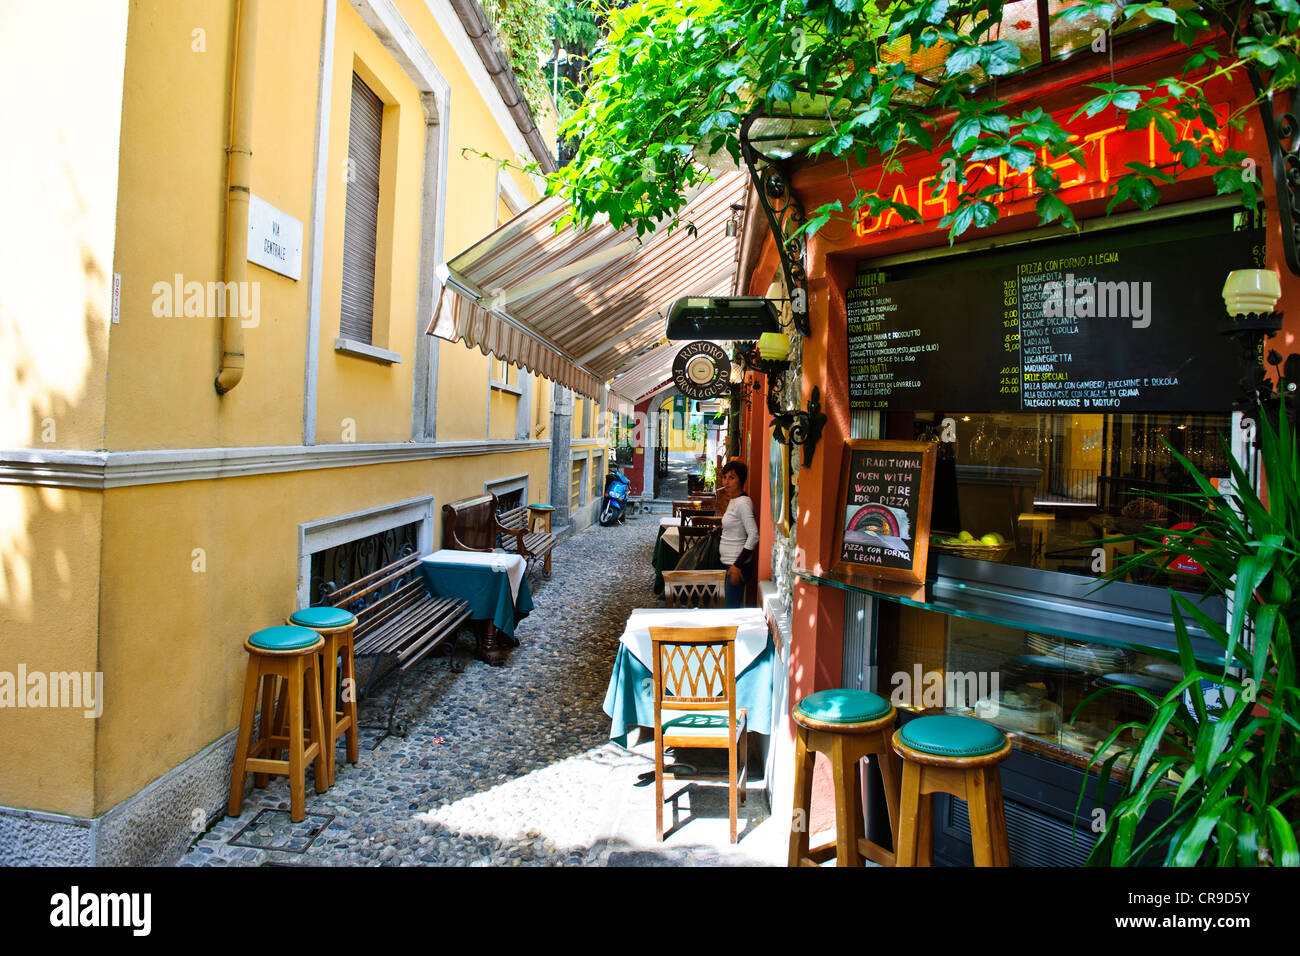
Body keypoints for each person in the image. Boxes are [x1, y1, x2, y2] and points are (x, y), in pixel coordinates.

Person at [718, 460, 759, 608]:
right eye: (725, 477)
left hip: (735, 566)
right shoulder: (734, 500)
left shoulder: (743, 503)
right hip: (728, 563)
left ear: (741, 480)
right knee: (727, 608)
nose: (726, 481)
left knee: (731, 611)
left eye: (732, 477)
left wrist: (737, 565)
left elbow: (754, 535)